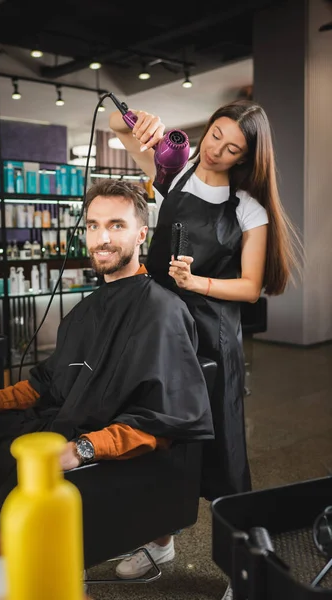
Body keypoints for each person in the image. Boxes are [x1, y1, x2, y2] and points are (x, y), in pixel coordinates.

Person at [0, 179, 214, 529]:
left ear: (141, 235)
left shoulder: (163, 313)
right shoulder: (83, 313)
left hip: (88, 464)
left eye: (117, 225)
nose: (102, 239)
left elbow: (162, 422)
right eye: (93, 225)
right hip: (45, 434)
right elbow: (48, 386)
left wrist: (83, 449)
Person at [109, 99, 301, 581]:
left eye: (233, 147)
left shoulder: (249, 210)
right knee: (156, 438)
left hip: (212, 341)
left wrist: (200, 284)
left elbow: (251, 287)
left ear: (246, 158)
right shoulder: (173, 169)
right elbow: (116, 123)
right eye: (215, 135)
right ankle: (160, 545)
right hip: (158, 331)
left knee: (222, 454)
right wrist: (138, 121)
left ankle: (244, 570)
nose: (217, 150)